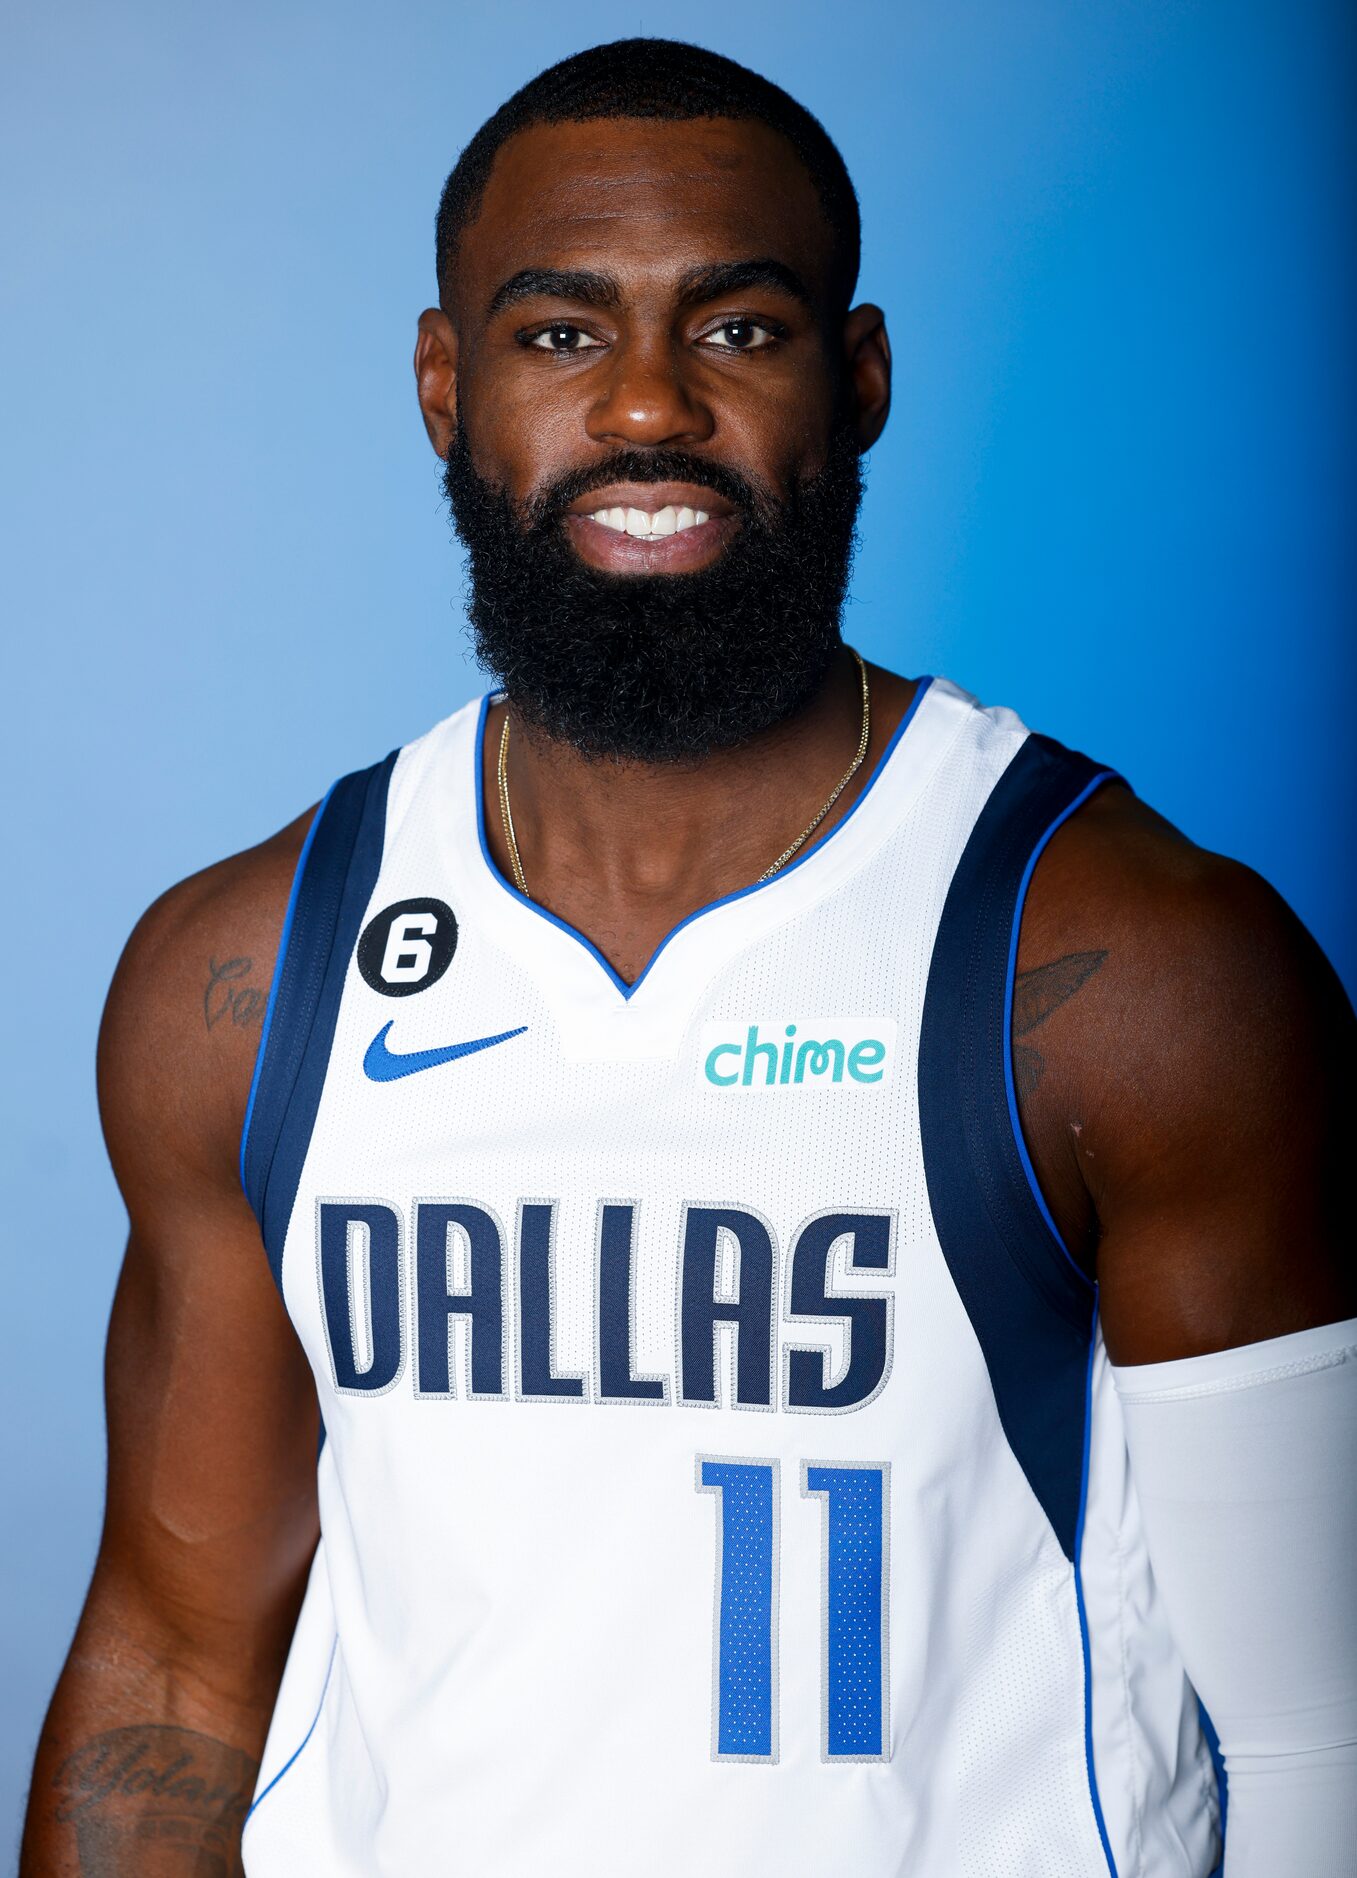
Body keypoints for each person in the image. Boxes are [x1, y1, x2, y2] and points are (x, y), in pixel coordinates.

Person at [21, 37, 1356, 1878]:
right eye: (561, 334)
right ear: (443, 382)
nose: (647, 409)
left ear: (859, 377)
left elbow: (1320, 1735)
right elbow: (171, 1674)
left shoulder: (1128, 965)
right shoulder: (252, 977)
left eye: (737, 329)